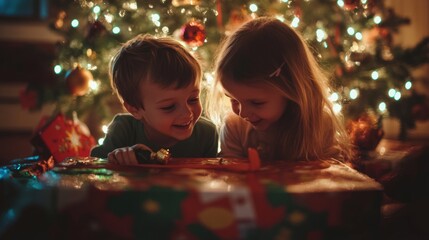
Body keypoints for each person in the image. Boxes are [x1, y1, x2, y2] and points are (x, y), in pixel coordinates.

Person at [207, 17, 354, 162]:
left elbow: (332, 177)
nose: (242, 113)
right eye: (233, 99)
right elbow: (230, 178)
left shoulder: (319, 125)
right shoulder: (235, 126)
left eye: (256, 102)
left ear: (292, 89)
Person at [91, 34, 218, 164]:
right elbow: (93, 167)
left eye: (193, 99)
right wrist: (118, 158)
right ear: (134, 109)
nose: (187, 113)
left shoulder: (206, 134)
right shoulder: (123, 130)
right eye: (169, 107)